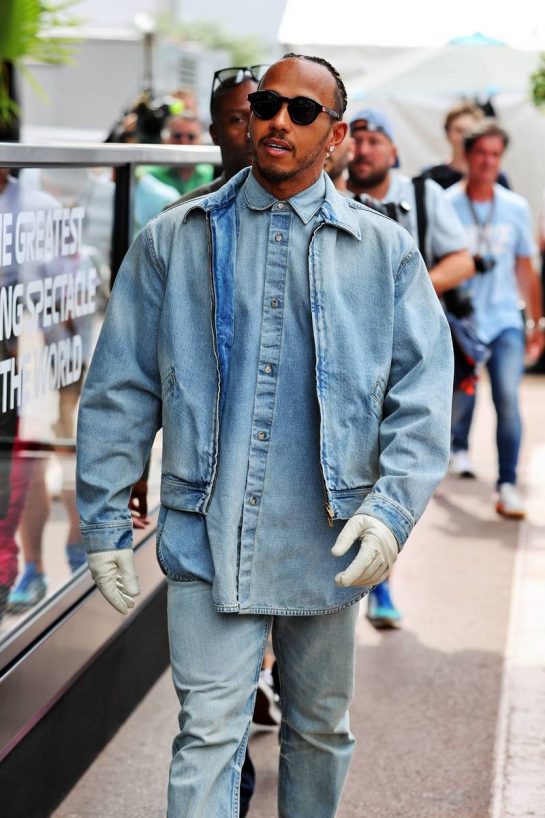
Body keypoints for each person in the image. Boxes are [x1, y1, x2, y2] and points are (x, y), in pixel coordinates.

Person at [76, 54, 454, 818]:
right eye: (268, 105)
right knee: (207, 734)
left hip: (328, 543)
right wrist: (104, 518)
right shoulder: (173, 240)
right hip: (206, 536)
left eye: (301, 111)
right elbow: (119, 388)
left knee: (317, 730)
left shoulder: (382, 252)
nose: (277, 120)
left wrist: (389, 511)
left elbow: (422, 396)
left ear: (336, 135)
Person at [346, 107, 474, 628]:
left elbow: (462, 259)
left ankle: (380, 583)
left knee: (390, 464)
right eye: (358, 137)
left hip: (407, 358)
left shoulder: (423, 196)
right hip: (349, 356)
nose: (365, 147)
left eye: (376, 139)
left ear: (394, 151)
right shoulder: (329, 196)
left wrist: (409, 292)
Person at [447, 120, 544, 518]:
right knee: (456, 400)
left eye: (494, 154)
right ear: (468, 156)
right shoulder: (446, 202)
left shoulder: (515, 208)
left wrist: (537, 324)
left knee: (507, 397)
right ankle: (456, 450)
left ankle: (506, 484)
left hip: (505, 319)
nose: (487, 161)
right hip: (461, 321)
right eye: (480, 153)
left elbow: (525, 268)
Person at [423, 102, 510, 190]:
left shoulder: (494, 176)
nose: (463, 137)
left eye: (469, 131)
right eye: (458, 130)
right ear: (447, 133)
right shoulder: (431, 175)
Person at [147, 112, 214, 196]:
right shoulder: (151, 175)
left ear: (201, 141)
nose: (184, 142)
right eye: (177, 136)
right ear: (166, 140)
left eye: (191, 137)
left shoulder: (209, 172)